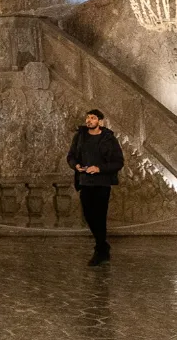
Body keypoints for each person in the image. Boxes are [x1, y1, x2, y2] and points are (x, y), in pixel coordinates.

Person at [66, 109, 124, 266]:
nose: (89, 120)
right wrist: (75, 165)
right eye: (87, 118)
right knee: (88, 215)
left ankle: (100, 250)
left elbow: (118, 162)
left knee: (100, 217)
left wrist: (99, 168)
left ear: (100, 121)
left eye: (92, 118)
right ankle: (103, 246)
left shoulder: (109, 139)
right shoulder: (80, 136)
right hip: (85, 182)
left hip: (102, 183)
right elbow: (70, 156)